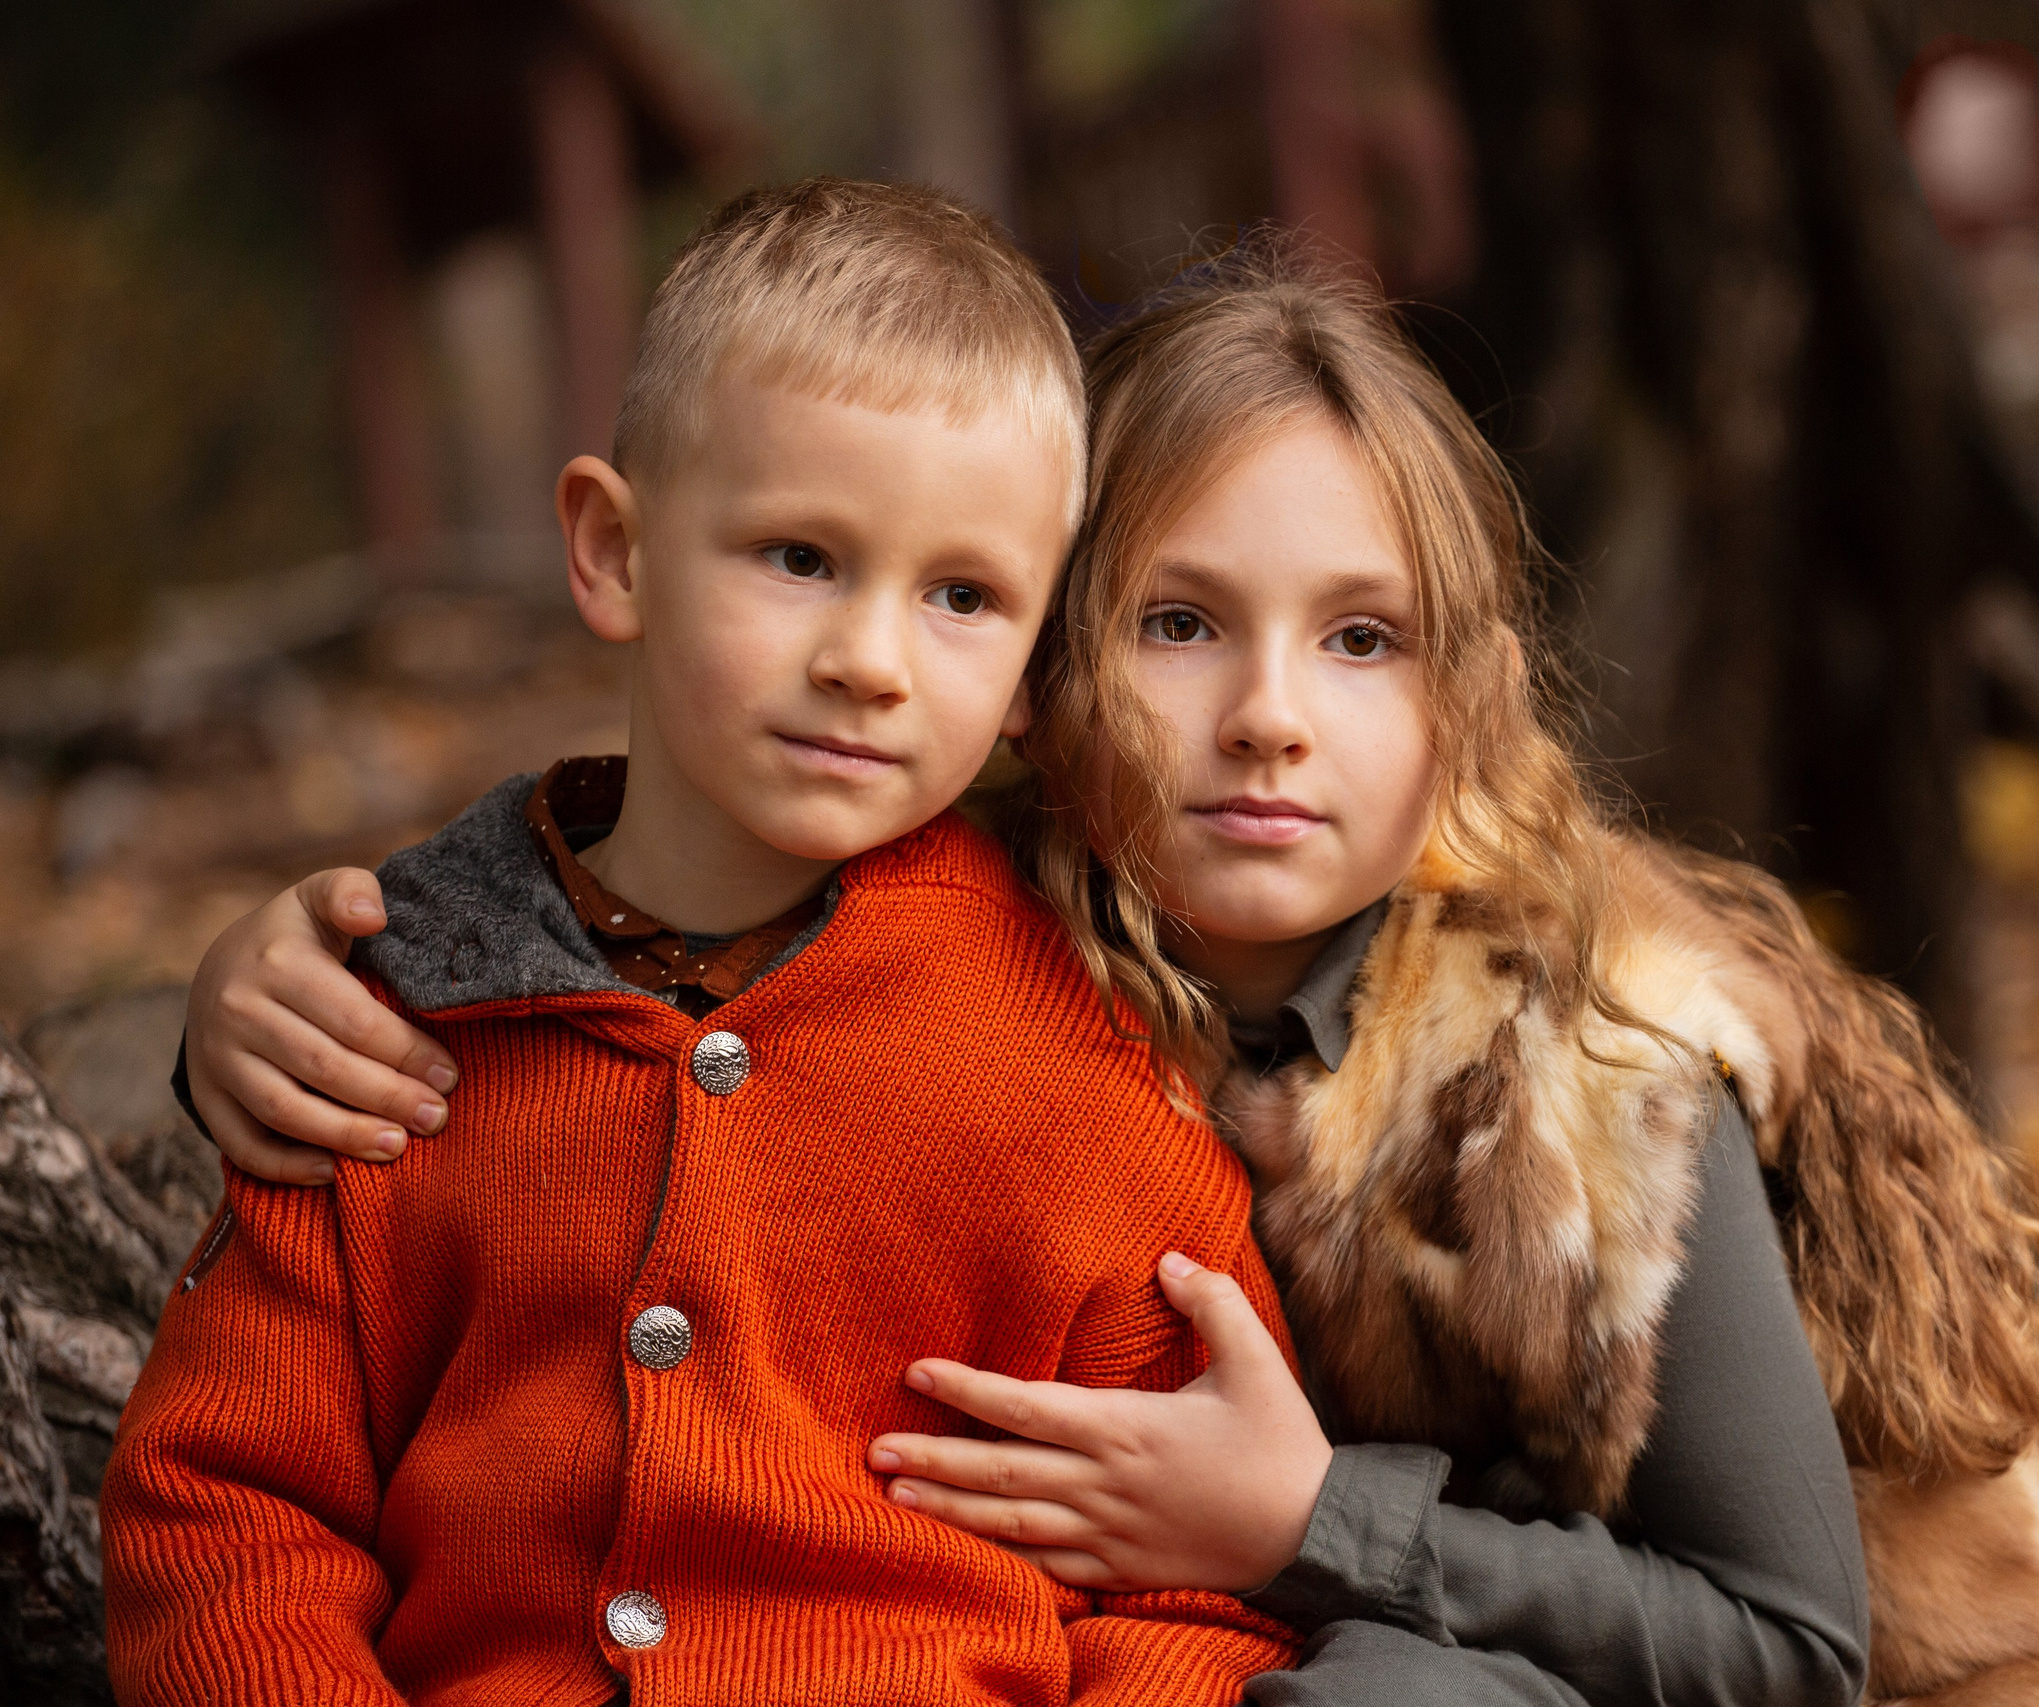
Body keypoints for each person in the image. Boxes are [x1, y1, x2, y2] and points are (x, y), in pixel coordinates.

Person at [178, 250, 2039, 1704]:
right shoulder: (973, 904)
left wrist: (1304, 1516)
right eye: (1178, 622)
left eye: (1361, 640)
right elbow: (638, 882)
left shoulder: (1587, 1059)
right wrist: (284, 973)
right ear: (1038, 676)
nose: (1268, 716)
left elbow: (1789, 1634)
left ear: (1465, 702)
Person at [98, 180, 1305, 1707]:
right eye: (799, 557)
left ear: (1029, 669)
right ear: (612, 553)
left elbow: (1203, 1607)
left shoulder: (1078, 1058)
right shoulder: (394, 1016)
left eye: (961, 596)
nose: (868, 660)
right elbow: (226, 1507)